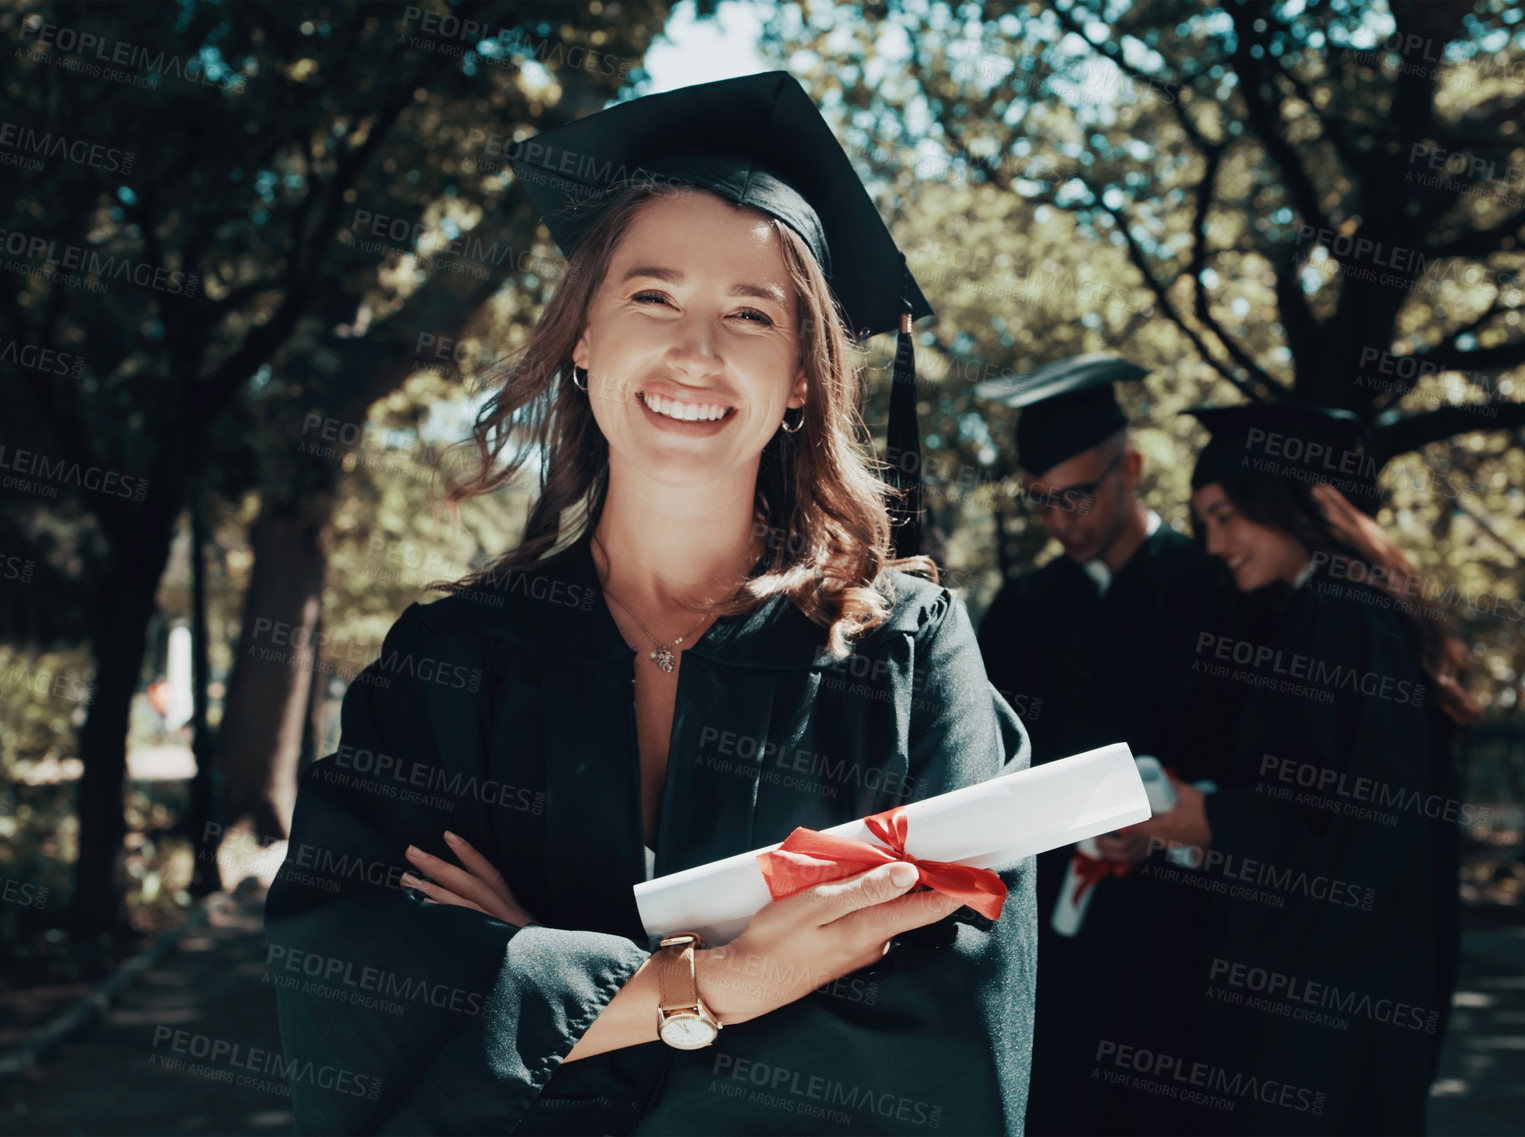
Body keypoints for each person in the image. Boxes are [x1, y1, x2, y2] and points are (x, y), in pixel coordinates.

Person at [263, 72, 1035, 1137]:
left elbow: (943, 1039)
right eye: (652, 296)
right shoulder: (451, 666)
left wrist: (541, 982)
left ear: (803, 376)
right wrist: (722, 986)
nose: (695, 353)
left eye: (751, 314)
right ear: (583, 336)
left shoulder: (901, 656)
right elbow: (357, 986)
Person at [1114, 401, 1481, 1135]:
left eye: (1224, 516)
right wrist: (1204, 815)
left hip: (1338, 996)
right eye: (1203, 522)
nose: (1213, 543)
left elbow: (1359, 817)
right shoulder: (1336, 608)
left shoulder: (1342, 614)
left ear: (1276, 501)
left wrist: (1209, 818)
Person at [971, 355, 1240, 1135]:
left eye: (1077, 496)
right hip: (1056, 936)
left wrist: (1175, 828)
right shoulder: (1021, 613)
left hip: (1183, 930)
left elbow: (1245, 757)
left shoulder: (1212, 591)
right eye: (1040, 501)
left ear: (1130, 467)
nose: (1060, 521)